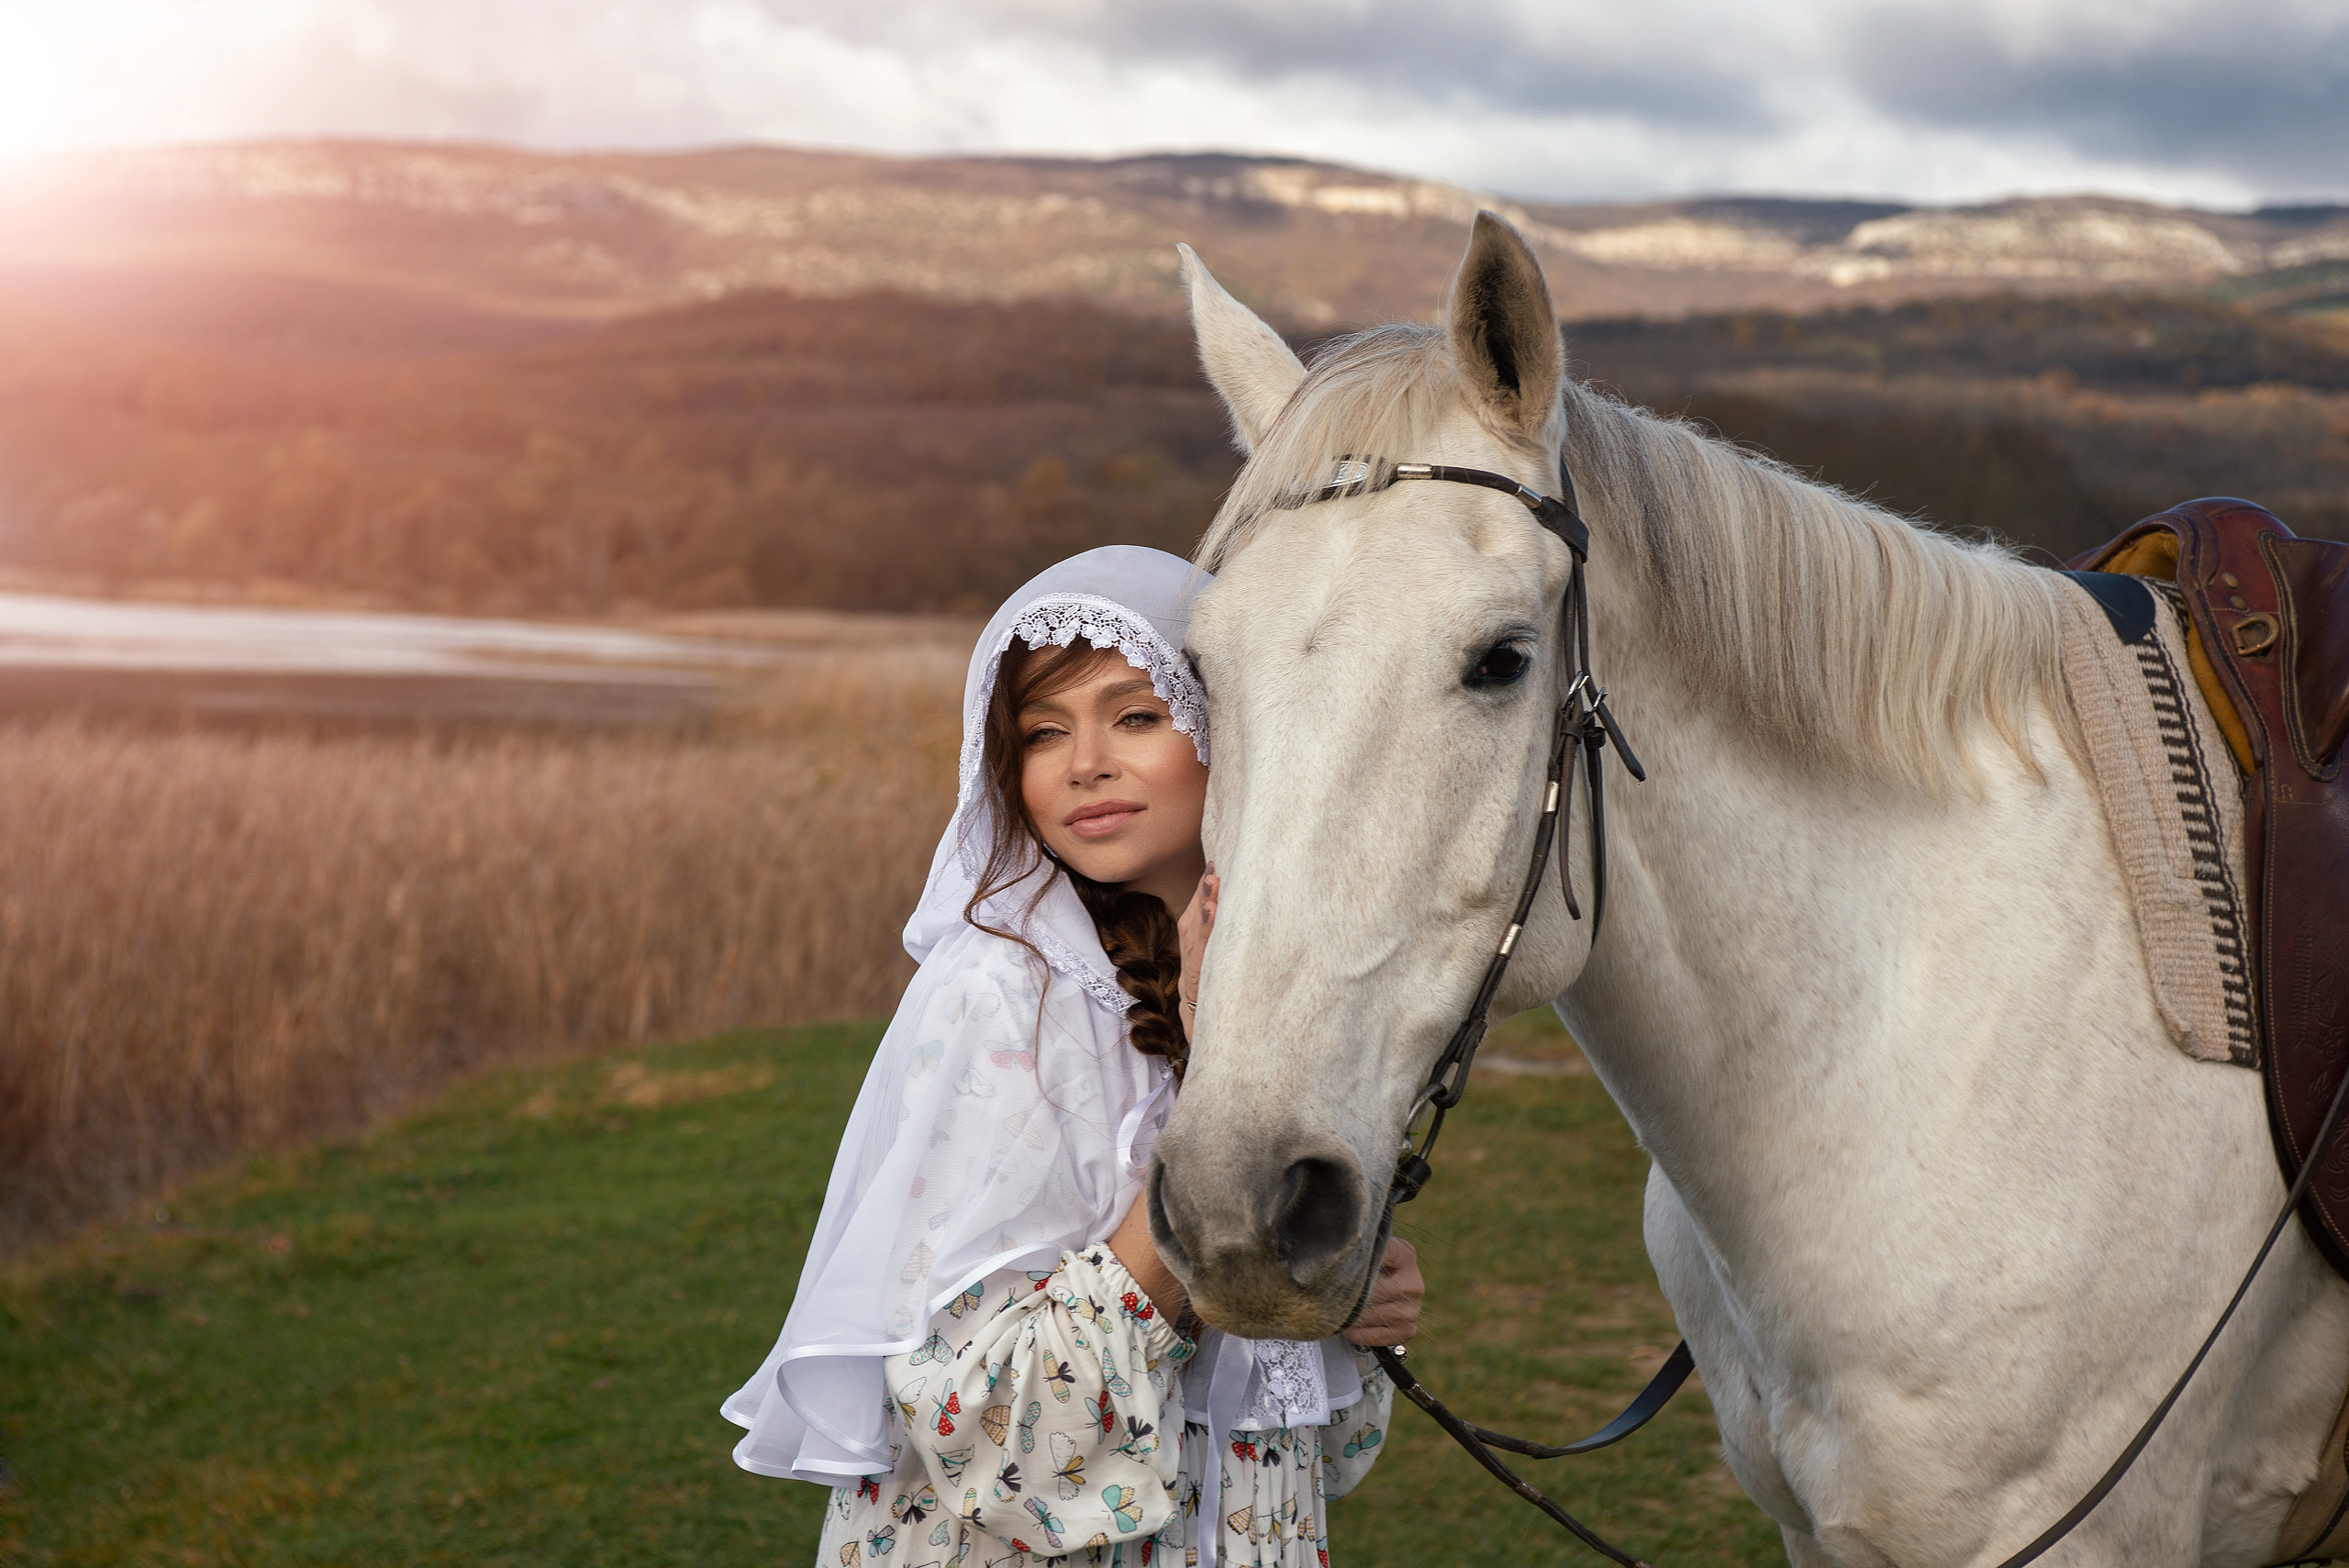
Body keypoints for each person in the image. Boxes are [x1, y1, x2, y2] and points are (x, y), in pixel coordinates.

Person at [724, 547, 1424, 1568]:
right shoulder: (1002, 996)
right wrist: (1214, 1105)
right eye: (1042, 731)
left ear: (1227, 725)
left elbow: (1313, 1451)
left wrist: (1357, 1314)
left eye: (1134, 715)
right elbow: (992, 1431)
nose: (1083, 761)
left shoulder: (1294, 1002)